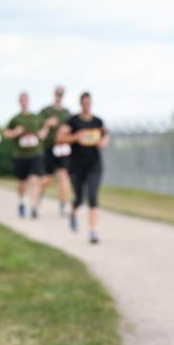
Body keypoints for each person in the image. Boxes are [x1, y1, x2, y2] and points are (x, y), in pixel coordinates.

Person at [57, 91, 108, 244]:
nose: (87, 105)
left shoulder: (97, 121)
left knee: (92, 196)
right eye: (84, 102)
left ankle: (93, 231)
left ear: (91, 103)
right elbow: (59, 138)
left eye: (89, 102)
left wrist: (103, 142)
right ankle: (73, 214)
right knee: (79, 198)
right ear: (81, 103)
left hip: (94, 164)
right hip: (77, 165)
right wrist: (76, 137)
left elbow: (106, 135)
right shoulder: (73, 121)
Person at [4, 92, 50, 219]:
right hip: (20, 155)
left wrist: (43, 132)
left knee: (34, 180)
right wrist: (15, 132)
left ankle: (34, 207)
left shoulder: (36, 118)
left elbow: (44, 130)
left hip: (35, 154)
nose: (24, 102)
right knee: (22, 183)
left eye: (25, 99)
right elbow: (6, 134)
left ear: (28, 101)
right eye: (22, 100)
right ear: (19, 102)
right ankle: (21, 202)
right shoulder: (15, 119)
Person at [39, 86, 73, 215]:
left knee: (64, 176)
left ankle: (63, 205)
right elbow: (40, 133)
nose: (59, 96)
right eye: (58, 94)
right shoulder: (46, 111)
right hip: (50, 148)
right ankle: (37, 196)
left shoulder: (67, 113)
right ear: (54, 95)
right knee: (48, 178)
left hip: (63, 149)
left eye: (61, 94)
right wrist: (47, 124)